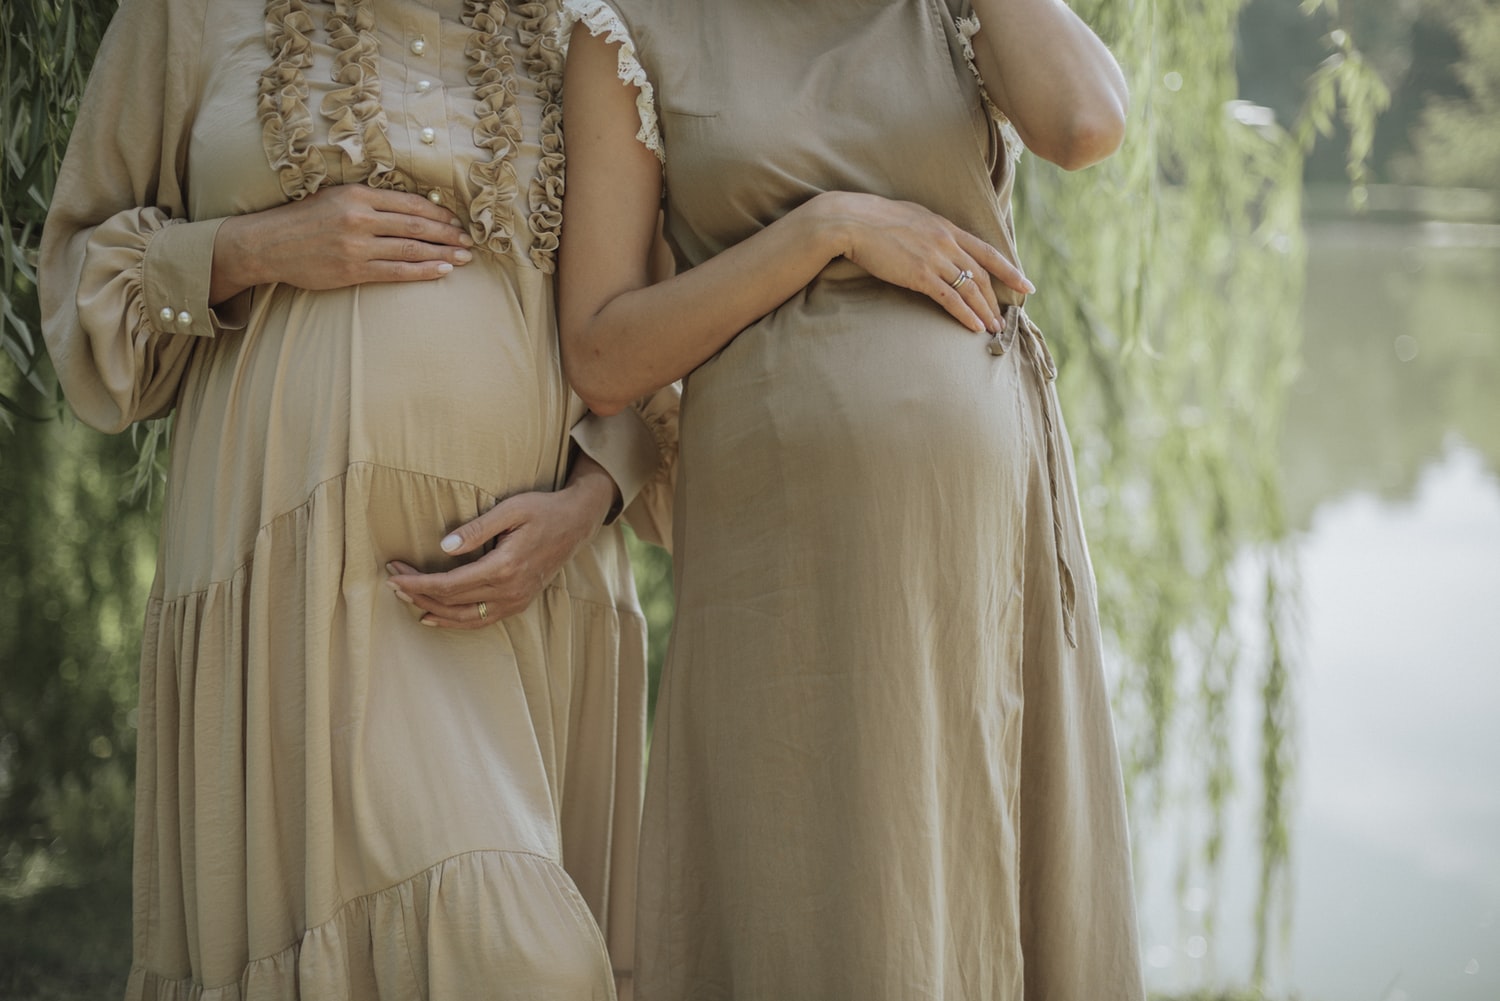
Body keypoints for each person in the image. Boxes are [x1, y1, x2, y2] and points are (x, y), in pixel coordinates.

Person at [41, 0, 674, 997]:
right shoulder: (190, 14)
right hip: (296, 587)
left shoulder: (580, 23)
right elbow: (80, 281)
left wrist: (591, 500)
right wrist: (257, 249)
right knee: (517, 963)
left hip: (525, 597)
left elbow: (644, 321)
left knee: (528, 960)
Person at [557, 0, 1145, 997]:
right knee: (819, 886)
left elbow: (1084, 124)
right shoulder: (627, 27)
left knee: (986, 869)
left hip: (980, 541)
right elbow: (605, 352)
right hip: (785, 549)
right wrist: (828, 231)